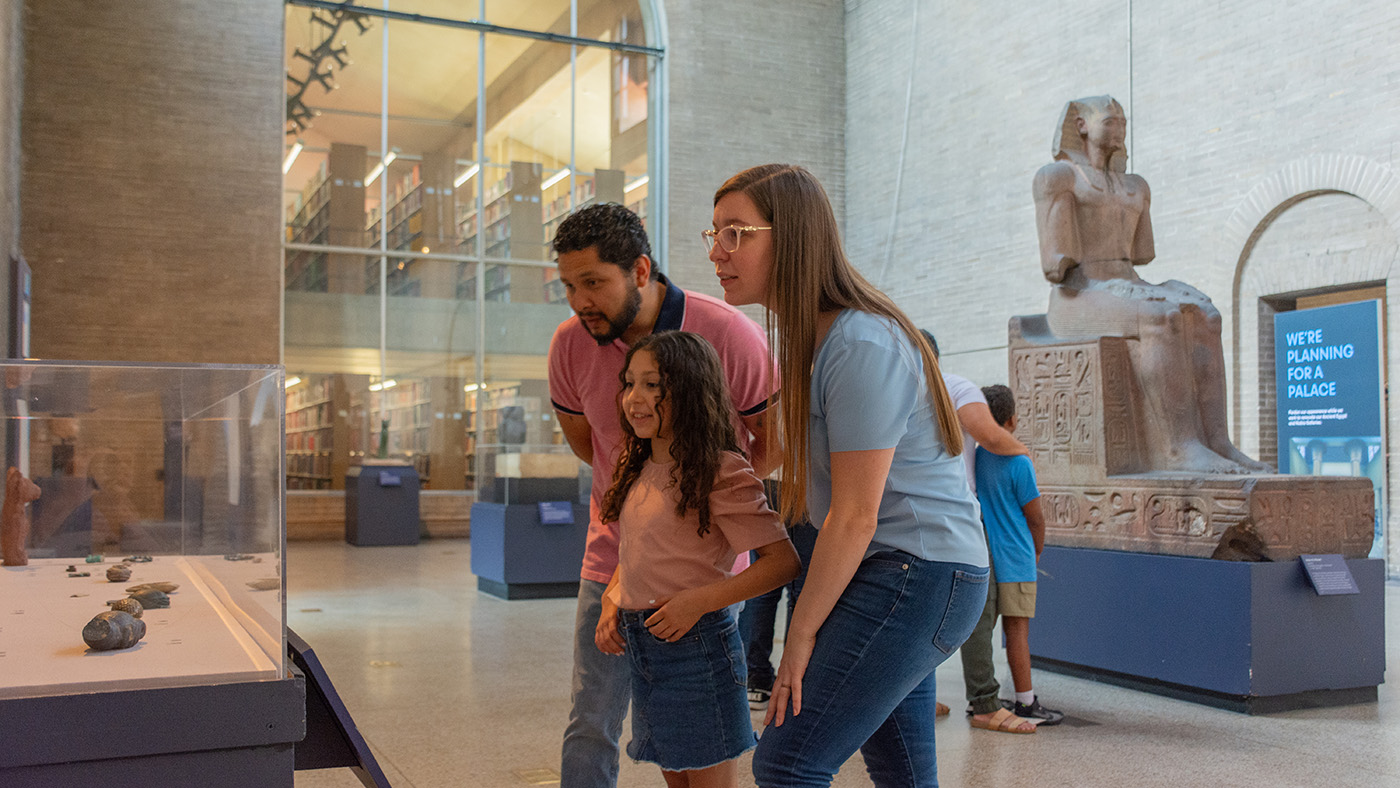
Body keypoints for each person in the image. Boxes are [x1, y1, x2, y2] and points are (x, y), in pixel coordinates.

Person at [709, 163, 989, 787]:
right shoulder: (815, 338)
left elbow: (856, 514)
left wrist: (800, 633)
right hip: (888, 572)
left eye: (736, 233)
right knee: (903, 774)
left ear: (793, 237)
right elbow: (776, 459)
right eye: (714, 233)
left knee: (787, 762)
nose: (717, 252)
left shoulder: (861, 342)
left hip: (918, 575)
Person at [548, 202, 774, 788]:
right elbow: (591, 444)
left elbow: (774, 444)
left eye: (594, 282)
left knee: (696, 727)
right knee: (593, 718)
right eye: (569, 286)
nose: (580, 301)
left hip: (703, 572)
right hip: (613, 561)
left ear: (641, 270)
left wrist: (706, 491)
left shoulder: (727, 332)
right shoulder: (569, 345)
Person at [594, 331, 800, 787]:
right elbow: (640, 549)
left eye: (653, 384)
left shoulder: (721, 470)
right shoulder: (637, 463)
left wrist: (699, 602)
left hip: (697, 648)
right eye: (630, 383)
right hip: (645, 644)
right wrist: (613, 597)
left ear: (688, 388)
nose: (635, 398)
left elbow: (781, 562)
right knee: (675, 775)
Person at [1033, 95, 1267, 473]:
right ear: (1081, 126)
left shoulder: (1137, 187)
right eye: (1110, 120)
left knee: (1207, 316)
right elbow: (1058, 265)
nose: (1119, 128)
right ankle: (1179, 448)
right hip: (1078, 294)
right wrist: (1118, 287)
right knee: (1161, 318)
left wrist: (1129, 285)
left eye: (1122, 121)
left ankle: (1219, 442)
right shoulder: (1058, 178)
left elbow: (1139, 256)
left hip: (1124, 284)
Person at [917, 330, 1034, 728]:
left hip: (902, 517)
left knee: (919, 609)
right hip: (954, 515)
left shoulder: (886, 391)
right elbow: (989, 435)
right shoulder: (953, 386)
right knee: (977, 610)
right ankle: (985, 704)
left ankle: (916, 697)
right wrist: (1025, 455)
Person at [966, 385, 1062, 732]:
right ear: (1012, 420)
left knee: (981, 631)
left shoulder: (976, 455)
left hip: (987, 554)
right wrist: (1037, 549)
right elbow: (1035, 516)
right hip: (1018, 556)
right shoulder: (1019, 461)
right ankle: (1025, 701)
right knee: (1018, 633)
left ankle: (979, 698)